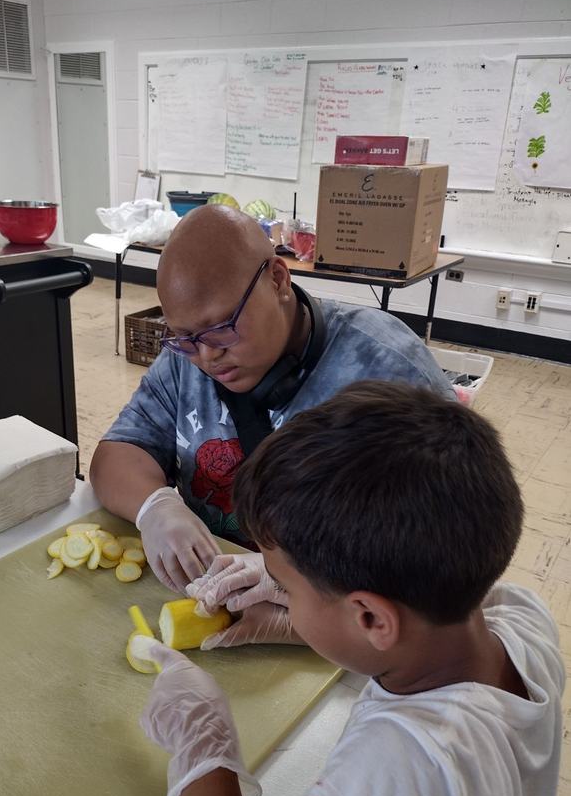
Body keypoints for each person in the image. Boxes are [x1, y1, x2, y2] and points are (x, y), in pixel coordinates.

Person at [130, 381, 564, 796]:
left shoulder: (402, 761)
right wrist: (291, 601)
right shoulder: (522, 617)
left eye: (285, 586)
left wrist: (204, 750)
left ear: (370, 618)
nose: (276, 588)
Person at [90, 205, 456, 602]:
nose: (207, 357)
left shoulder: (387, 369)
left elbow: (445, 548)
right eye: (184, 338)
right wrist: (155, 507)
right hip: (220, 591)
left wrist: (301, 602)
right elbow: (116, 455)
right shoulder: (189, 357)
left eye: (222, 329)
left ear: (278, 280)